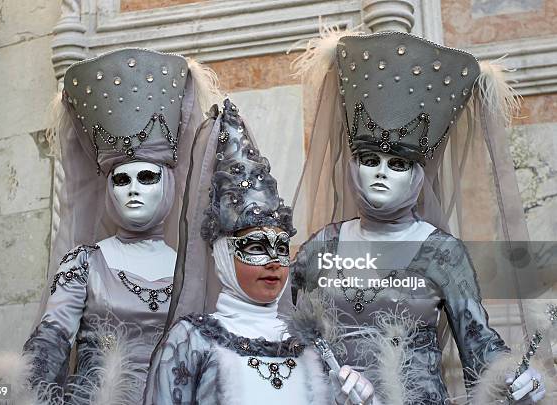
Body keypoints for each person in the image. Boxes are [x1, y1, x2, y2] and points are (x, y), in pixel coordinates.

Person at [290, 30, 548, 404]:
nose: (380, 173)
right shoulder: (321, 247)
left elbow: (478, 347)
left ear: (416, 174)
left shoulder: (443, 253)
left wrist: (518, 376)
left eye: (397, 163)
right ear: (353, 166)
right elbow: (286, 331)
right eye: (369, 159)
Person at [0, 48, 220, 404]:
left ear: (168, 183)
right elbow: (51, 342)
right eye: (121, 180)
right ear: (108, 189)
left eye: (146, 177)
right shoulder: (83, 263)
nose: (134, 190)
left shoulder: (190, 266)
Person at [148, 99, 376, 405]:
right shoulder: (191, 342)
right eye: (256, 247)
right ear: (224, 256)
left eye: (281, 249)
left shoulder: (311, 346)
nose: (272, 262)